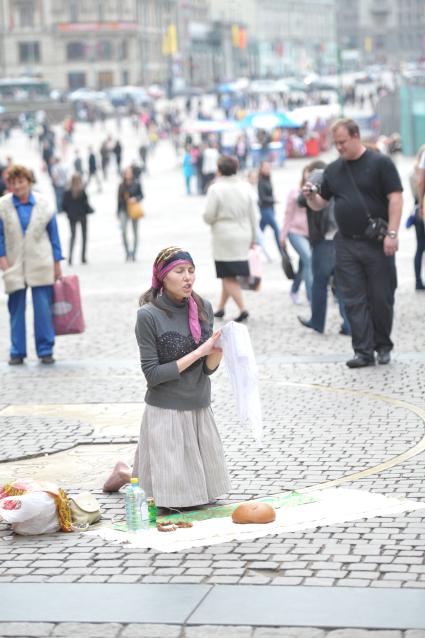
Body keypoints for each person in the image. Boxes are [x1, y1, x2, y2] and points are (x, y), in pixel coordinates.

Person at [103, 246, 231, 508]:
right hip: (165, 411)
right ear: (163, 276)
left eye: (191, 271)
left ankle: (126, 473)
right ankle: (126, 474)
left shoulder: (203, 307)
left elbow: (207, 370)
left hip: (198, 407)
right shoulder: (148, 316)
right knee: (173, 501)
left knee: (200, 497)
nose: (188, 278)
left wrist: (220, 349)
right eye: (180, 271)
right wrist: (199, 352)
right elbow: (153, 375)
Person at [304, 118, 403, 368]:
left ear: (356, 136)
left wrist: (392, 233)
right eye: (335, 143)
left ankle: (383, 345)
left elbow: (396, 198)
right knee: (353, 298)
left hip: (377, 242)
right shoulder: (334, 169)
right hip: (346, 243)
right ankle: (363, 351)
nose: (338, 147)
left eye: (343, 142)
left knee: (381, 297)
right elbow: (321, 204)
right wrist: (311, 197)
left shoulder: (380, 163)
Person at [0, 164, 63, 365]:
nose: (17, 186)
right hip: (14, 263)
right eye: (13, 182)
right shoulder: (3, 205)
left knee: (43, 309)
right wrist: (2, 260)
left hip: (41, 262)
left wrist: (57, 262)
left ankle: (45, 350)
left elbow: (54, 234)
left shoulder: (44, 204)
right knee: (16, 309)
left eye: (21, 181)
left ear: (29, 182)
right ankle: (17, 351)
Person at [296, 161, 351, 335]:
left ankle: (317, 322)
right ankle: (349, 325)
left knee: (319, 283)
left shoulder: (317, 179)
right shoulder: (337, 179)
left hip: (324, 239)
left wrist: (308, 184)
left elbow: (300, 200)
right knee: (342, 284)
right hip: (341, 238)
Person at [203, 155, 257, 322]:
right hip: (243, 232)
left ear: (219, 170)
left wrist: (209, 218)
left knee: (227, 274)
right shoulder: (246, 187)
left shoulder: (215, 189)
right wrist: (253, 237)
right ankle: (220, 308)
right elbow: (254, 215)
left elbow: (208, 216)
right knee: (229, 273)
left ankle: (243, 309)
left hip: (224, 235)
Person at [281, 170, 313, 305]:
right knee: (308, 259)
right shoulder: (294, 193)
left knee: (303, 264)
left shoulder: (318, 193)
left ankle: (294, 289)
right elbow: (288, 214)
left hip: (311, 233)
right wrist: (282, 236)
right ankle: (312, 298)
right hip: (295, 232)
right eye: (308, 172)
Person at [62, 173, 93, 265]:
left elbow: (64, 205)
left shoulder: (67, 192)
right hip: (82, 216)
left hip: (72, 217)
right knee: (84, 237)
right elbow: (86, 204)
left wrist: (68, 213)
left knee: (73, 236)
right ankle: (83, 257)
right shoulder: (82, 191)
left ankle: (70, 257)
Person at [117, 166, 144, 262]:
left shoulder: (137, 184)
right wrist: (118, 213)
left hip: (133, 210)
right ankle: (127, 252)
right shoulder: (121, 185)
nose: (128, 174)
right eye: (126, 172)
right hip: (124, 210)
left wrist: (135, 199)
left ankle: (134, 253)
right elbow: (118, 200)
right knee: (123, 232)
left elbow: (141, 195)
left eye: (129, 172)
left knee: (135, 232)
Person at [257, 161, 282, 256]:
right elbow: (262, 198)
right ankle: (282, 252)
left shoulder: (268, 179)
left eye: (268, 167)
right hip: (265, 210)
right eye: (265, 167)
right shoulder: (261, 181)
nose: (267, 169)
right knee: (276, 229)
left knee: (259, 233)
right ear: (261, 169)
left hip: (270, 209)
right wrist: (273, 200)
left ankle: (253, 250)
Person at [411, 145, 425, 290]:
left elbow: (419, 186)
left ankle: (417, 280)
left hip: (419, 209)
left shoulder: (413, 173)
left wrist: (420, 204)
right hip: (421, 209)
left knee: (420, 247)